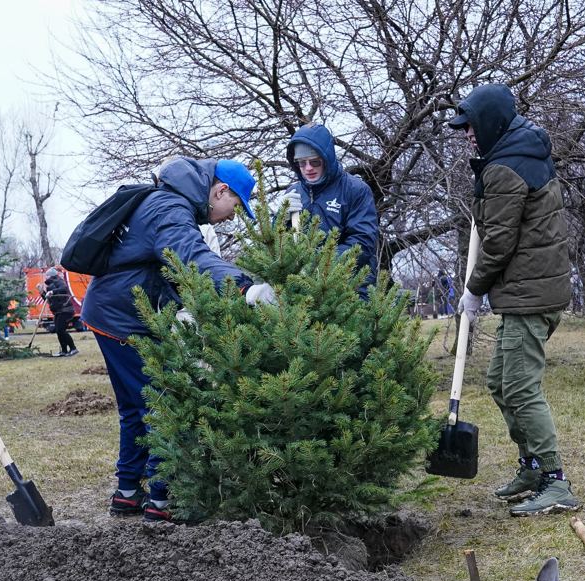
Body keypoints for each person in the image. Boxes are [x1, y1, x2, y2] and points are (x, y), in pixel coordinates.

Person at [81, 157, 267, 523]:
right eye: (236, 207)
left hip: (112, 311)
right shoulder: (170, 207)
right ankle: (163, 500)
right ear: (220, 191)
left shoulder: (169, 201)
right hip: (125, 317)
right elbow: (192, 257)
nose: (234, 216)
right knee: (163, 403)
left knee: (136, 407)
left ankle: (129, 493)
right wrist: (245, 286)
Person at [448, 83, 581, 517]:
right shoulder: (518, 154)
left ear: (490, 123)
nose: (467, 135)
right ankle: (532, 466)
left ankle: (555, 481)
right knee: (501, 383)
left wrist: (473, 290)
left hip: (529, 295)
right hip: (530, 291)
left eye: (470, 128)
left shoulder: (504, 168)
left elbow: (500, 242)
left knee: (521, 389)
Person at [280, 124, 379, 295]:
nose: (308, 168)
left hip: (350, 290)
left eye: (315, 162)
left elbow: (363, 242)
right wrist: (280, 219)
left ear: (327, 159)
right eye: (302, 163)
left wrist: (317, 263)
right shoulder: (293, 193)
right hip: (304, 293)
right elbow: (277, 241)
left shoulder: (355, 190)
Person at [41, 268, 78, 356]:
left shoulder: (58, 281)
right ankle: (64, 351)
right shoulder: (50, 285)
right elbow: (48, 300)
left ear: (51, 275)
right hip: (58, 311)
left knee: (61, 330)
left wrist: (52, 291)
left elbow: (64, 289)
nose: (46, 277)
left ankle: (73, 348)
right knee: (58, 331)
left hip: (65, 310)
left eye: (47, 275)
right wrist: (42, 292)